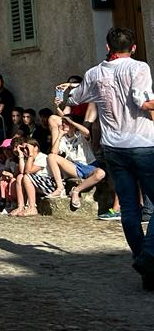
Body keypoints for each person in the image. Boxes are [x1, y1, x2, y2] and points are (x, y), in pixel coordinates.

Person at [61, 27, 154, 291]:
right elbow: (142, 101)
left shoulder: (94, 73)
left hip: (113, 147)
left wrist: (63, 91)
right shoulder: (139, 68)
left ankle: (143, 263)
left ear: (107, 47)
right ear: (133, 47)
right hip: (142, 144)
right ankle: (148, 256)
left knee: (128, 206)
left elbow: (73, 98)